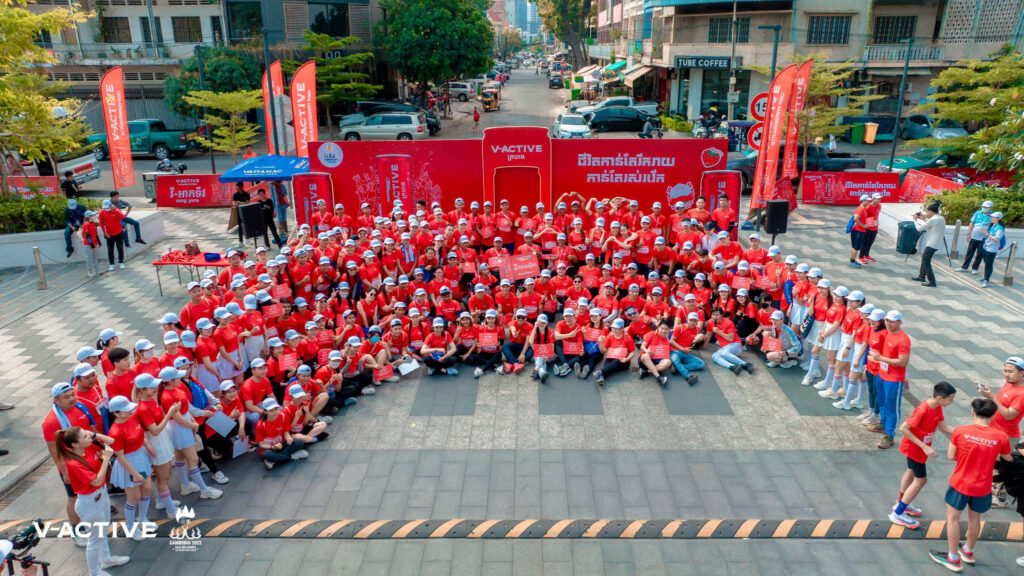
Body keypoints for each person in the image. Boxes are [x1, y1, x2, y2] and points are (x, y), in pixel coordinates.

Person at [929, 398, 1011, 573]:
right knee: (975, 520)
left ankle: (952, 558)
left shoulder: (960, 431)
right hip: (983, 486)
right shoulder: (1001, 437)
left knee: (953, 519)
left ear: (973, 412)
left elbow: (951, 455)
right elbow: (1008, 459)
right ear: (993, 415)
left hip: (960, 483)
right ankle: (967, 551)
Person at [54, 426, 131, 576]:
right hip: (90, 503)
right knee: (94, 540)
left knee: (102, 532)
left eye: (87, 434)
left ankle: (106, 559)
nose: (89, 438)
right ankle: (95, 572)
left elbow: (111, 441)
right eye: (85, 436)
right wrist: (106, 459)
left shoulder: (87, 447)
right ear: (75, 444)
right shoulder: (73, 463)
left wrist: (94, 434)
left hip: (101, 496)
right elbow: (96, 481)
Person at [889, 381, 956, 529]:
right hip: (915, 449)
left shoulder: (937, 407)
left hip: (918, 448)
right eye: (950, 399)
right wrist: (924, 446)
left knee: (910, 472)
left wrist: (962, 432)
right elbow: (904, 428)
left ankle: (900, 503)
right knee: (921, 480)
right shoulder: (923, 410)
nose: (951, 402)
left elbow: (943, 426)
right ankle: (898, 513)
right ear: (940, 398)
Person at [976, 356, 1024, 508]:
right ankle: (989, 491)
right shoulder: (1009, 384)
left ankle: (999, 498)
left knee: (999, 468)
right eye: (1004, 371)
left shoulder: (1021, 393)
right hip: (994, 431)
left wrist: (991, 397)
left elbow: (1009, 415)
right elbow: (1000, 403)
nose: (1006, 374)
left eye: (1010, 372)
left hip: (1006, 436)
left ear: (1022, 373)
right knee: (990, 464)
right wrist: (989, 397)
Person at [869, 310, 911, 450]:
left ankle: (890, 435)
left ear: (900, 322)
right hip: (882, 373)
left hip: (894, 379)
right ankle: (883, 423)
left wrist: (880, 358)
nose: (888, 323)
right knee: (882, 402)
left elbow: (902, 362)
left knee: (892, 407)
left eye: (892, 321)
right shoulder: (887, 333)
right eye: (887, 320)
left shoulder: (903, 340)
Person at [911, 201, 945, 288]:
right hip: (936, 243)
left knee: (926, 262)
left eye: (927, 211)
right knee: (924, 260)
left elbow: (919, 228)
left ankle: (932, 281)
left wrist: (915, 220)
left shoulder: (933, 220)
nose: (927, 213)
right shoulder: (941, 218)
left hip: (931, 244)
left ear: (931, 211)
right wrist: (923, 219)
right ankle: (921, 276)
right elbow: (930, 224)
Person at [958, 200, 994, 274]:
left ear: (990, 208)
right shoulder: (977, 213)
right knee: (969, 252)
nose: (984, 208)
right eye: (983, 207)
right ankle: (964, 267)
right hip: (974, 236)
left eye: (986, 207)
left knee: (979, 254)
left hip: (984, 238)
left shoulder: (993, 216)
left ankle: (975, 268)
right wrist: (969, 233)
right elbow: (971, 223)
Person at [978, 211, 1005, 289]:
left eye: (993, 217)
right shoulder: (992, 225)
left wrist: (987, 234)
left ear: (998, 219)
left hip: (992, 249)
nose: (991, 218)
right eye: (991, 217)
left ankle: (986, 280)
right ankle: (985, 277)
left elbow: (997, 239)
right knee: (986, 263)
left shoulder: (999, 228)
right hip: (986, 247)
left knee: (989, 264)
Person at [97, 199, 126, 271]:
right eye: (105, 207)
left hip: (118, 232)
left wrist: (115, 209)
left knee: (120, 248)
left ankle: (121, 262)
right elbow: (101, 223)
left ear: (111, 205)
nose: (106, 209)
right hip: (109, 234)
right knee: (110, 250)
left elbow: (122, 217)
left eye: (108, 207)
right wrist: (105, 232)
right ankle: (111, 264)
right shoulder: (102, 212)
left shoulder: (116, 210)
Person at [849, 195, 871, 268]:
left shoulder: (863, 209)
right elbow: (856, 219)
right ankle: (852, 261)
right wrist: (863, 225)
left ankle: (852, 259)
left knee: (854, 246)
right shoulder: (860, 209)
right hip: (858, 231)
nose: (869, 202)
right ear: (863, 201)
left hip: (858, 231)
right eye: (867, 201)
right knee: (856, 247)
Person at [81, 210, 102, 277]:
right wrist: (92, 245)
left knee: (95, 257)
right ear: (89, 217)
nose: (94, 216)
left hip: (94, 242)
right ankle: (90, 272)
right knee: (89, 258)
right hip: (88, 244)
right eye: (92, 215)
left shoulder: (94, 223)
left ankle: (97, 270)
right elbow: (87, 235)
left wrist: (99, 242)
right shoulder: (86, 224)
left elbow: (96, 234)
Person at [232, 183, 251, 247]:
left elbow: (248, 202)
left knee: (246, 226)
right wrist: (243, 203)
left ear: (241, 187)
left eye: (237, 186)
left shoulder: (246, 194)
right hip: (239, 212)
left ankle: (247, 239)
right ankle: (240, 241)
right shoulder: (235, 195)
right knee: (240, 226)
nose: (236, 188)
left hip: (246, 212)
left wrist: (239, 202)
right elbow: (234, 204)